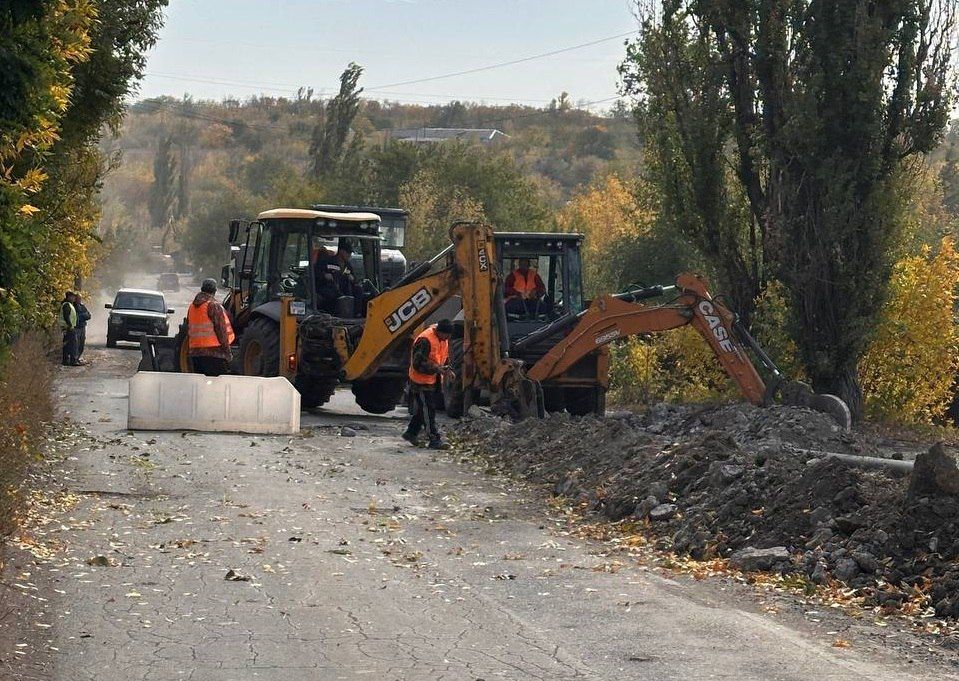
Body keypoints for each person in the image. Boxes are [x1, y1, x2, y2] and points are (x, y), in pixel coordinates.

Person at [402, 319, 454, 449]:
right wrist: (437, 369)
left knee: (423, 409)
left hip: (432, 380)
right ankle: (434, 439)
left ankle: (411, 433)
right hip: (420, 381)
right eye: (446, 335)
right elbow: (418, 363)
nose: (448, 338)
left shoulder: (443, 340)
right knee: (428, 410)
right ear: (440, 332)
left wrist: (447, 370)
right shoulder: (425, 340)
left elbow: (442, 358)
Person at [187, 278, 235, 376]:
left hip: (196, 353)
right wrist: (227, 352)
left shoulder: (192, 307)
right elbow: (221, 330)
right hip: (214, 353)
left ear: (202, 289)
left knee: (202, 385)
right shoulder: (213, 305)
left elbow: (189, 330)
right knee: (216, 385)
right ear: (215, 291)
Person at [315, 238, 360, 314]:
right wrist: (325, 275)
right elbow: (316, 272)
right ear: (341, 251)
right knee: (331, 295)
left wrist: (352, 279)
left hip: (344, 290)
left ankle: (357, 314)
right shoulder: (328, 261)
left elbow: (355, 279)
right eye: (347, 252)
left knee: (358, 290)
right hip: (329, 288)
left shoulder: (348, 266)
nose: (349, 255)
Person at [59, 292, 79, 366]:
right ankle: (73, 360)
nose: (74, 298)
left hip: (68, 327)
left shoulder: (69, 305)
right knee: (73, 344)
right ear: (69, 297)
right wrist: (70, 325)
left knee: (67, 344)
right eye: (73, 297)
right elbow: (66, 316)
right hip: (68, 328)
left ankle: (66, 360)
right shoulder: (67, 305)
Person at [74, 292, 91, 364]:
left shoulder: (82, 306)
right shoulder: (72, 306)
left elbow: (89, 315)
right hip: (76, 328)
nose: (79, 300)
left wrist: (82, 316)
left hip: (82, 327)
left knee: (81, 343)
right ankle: (74, 358)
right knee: (76, 343)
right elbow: (75, 316)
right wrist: (82, 316)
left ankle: (78, 357)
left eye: (80, 298)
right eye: (78, 298)